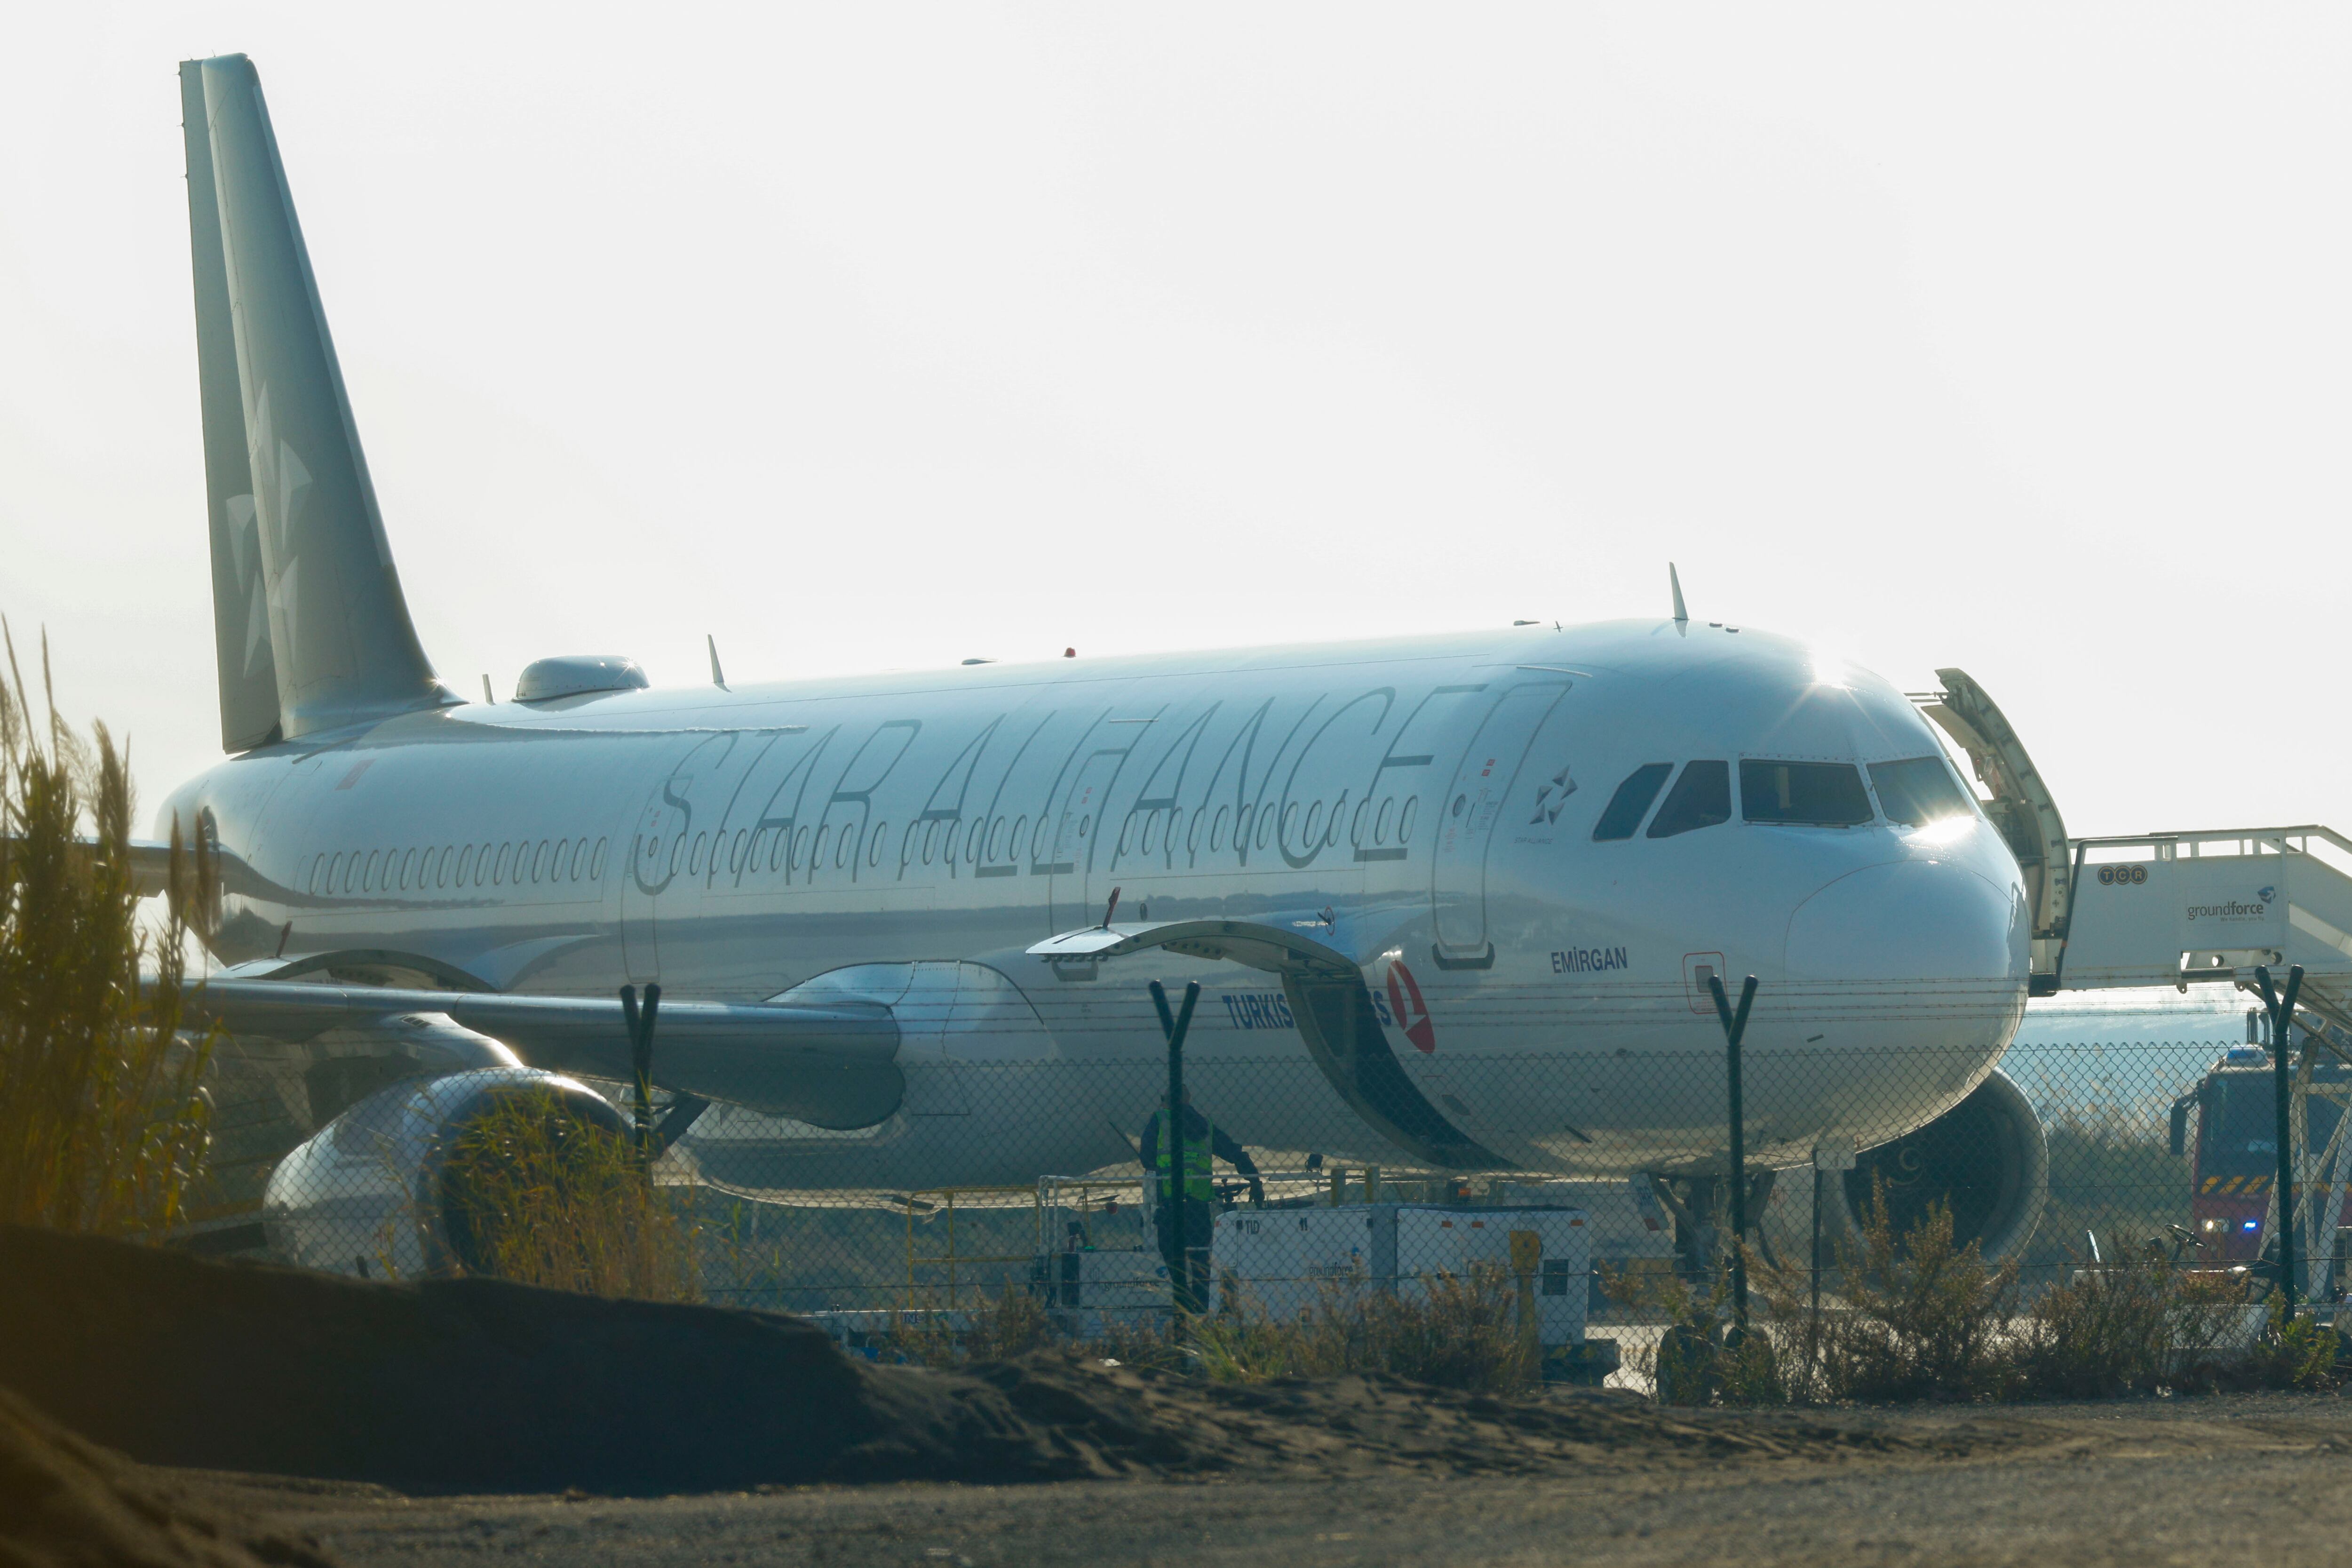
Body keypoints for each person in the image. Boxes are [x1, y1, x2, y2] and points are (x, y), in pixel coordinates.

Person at [1140, 1087, 1263, 1305]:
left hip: (1171, 1205)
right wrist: (1255, 1180)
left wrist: (1159, 1172)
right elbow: (1234, 1152)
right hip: (1198, 1207)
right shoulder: (1206, 1126)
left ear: (1165, 1102)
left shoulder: (1160, 1121)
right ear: (1188, 1100)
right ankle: (1201, 1305)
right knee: (1201, 1260)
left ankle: (1183, 1298)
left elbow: (1147, 1156)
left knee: (1170, 1253)